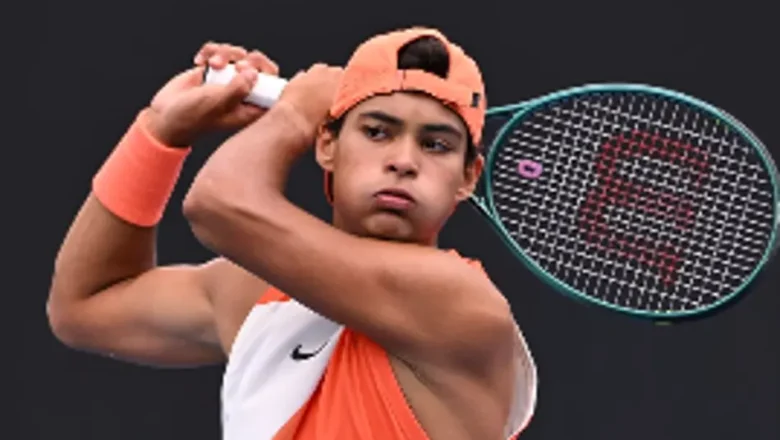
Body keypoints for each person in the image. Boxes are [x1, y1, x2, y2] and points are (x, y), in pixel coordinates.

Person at [47, 27, 538, 440]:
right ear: (327, 145)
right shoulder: (256, 293)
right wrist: (157, 134)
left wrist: (295, 113)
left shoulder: (459, 301)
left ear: (468, 177)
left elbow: (216, 204)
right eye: (377, 131)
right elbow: (86, 306)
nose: (403, 161)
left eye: (435, 144)